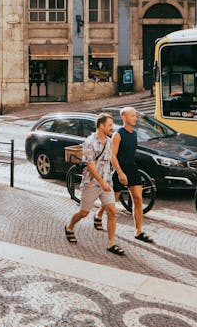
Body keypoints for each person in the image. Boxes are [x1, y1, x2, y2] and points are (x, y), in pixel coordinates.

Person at [65, 113, 125, 256]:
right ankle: (70, 226)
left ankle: (111, 244)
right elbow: (90, 165)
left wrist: (120, 173)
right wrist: (102, 182)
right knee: (84, 213)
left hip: (106, 182)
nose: (112, 127)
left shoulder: (109, 142)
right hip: (91, 183)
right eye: (109, 125)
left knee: (111, 210)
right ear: (101, 126)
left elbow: (111, 159)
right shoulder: (89, 142)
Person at [95, 107, 154, 244]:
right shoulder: (118, 134)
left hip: (132, 169)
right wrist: (120, 173)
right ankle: (98, 213)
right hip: (119, 170)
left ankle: (138, 231)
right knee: (112, 200)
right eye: (132, 116)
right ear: (124, 118)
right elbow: (112, 156)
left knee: (138, 199)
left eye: (135, 116)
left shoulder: (134, 134)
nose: (135, 118)